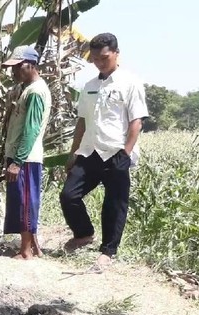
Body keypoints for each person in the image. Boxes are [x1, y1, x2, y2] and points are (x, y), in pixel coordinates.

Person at [60, 32, 148, 271]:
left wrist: (126, 153)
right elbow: (81, 122)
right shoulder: (89, 86)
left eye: (104, 57)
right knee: (69, 195)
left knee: (114, 204)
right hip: (89, 151)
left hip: (116, 153)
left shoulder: (130, 83)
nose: (99, 62)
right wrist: (73, 152)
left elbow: (136, 121)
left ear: (116, 54)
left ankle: (108, 251)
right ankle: (83, 234)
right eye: (95, 58)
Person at [1, 45, 52, 260]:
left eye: (17, 67)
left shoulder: (35, 92)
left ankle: (25, 251)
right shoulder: (27, 89)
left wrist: (17, 162)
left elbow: (31, 130)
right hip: (21, 156)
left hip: (26, 157)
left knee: (25, 202)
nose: (13, 72)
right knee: (23, 201)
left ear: (30, 66)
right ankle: (33, 247)